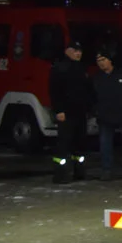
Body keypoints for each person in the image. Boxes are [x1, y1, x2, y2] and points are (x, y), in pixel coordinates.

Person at [49, 41, 91, 183]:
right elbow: (55, 91)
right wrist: (59, 110)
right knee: (64, 144)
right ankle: (60, 175)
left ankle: (79, 172)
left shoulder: (81, 68)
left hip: (80, 112)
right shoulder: (59, 67)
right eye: (75, 50)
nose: (78, 53)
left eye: (79, 51)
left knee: (79, 144)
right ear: (67, 51)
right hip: (66, 113)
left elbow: (87, 91)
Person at [93, 50, 122, 180]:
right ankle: (106, 170)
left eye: (103, 60)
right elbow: (93, 96)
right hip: (105, 116)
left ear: (110, 60)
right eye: (99, 61)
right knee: (105, 144)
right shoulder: (97, 78)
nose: (101, 63)